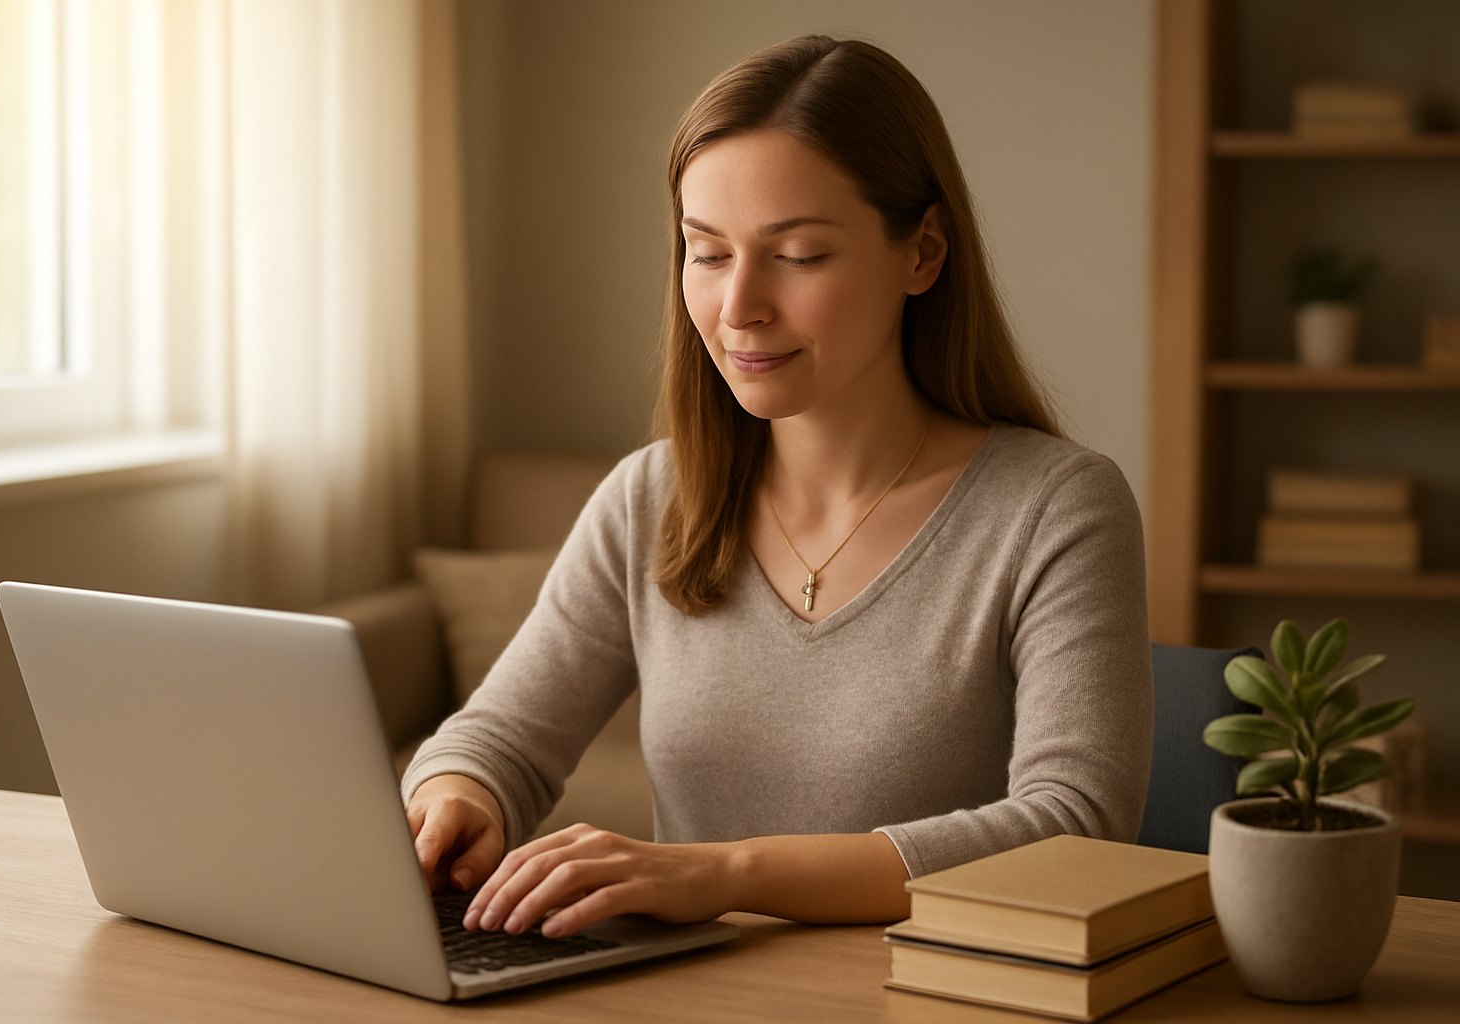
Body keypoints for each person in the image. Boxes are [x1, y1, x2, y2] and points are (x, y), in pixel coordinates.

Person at [401, 35, 1151, 941]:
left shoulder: (1057, 509)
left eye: (796, 256)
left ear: (922, 254)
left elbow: (1074, 825)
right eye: (707, 252)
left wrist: (724, 873)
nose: (737, 305)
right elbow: (499, 740)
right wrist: (457, 796)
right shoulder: (650, 499)